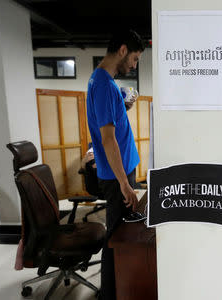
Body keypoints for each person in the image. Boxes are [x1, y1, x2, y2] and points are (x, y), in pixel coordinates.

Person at [86, 29, 145, 300]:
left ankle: (117, 288)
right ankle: (110, 293)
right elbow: (108, 140)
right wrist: (125, 184)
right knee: (118, 239)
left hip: (121, 169)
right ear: (122, 50)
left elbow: (110, 121)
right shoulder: (103, 85)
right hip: (116, 175)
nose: (133, 65)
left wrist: (124, 105)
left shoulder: (104, 83)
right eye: (134, 58)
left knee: (121, 234)